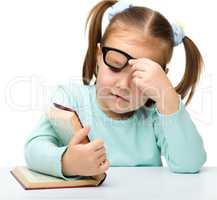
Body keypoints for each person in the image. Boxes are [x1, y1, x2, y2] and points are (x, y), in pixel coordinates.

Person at [24, 0, 206, 179]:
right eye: (115, 64)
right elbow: (34, 148)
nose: (123, 85)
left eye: (140, 75)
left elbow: (189, 164)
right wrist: (67, 162)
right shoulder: (70, 99)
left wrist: (167, 95)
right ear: (98, 57)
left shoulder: (155, 117)